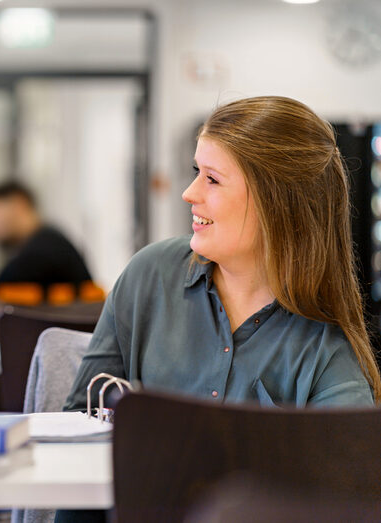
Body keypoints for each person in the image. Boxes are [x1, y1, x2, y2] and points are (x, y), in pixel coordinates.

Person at [56, 96, 381, 523]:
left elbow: (351, 493)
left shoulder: (325, 349)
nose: (190, 193)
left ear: (275, 201)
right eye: (196, 173)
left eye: (212, 179)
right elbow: (77, 433)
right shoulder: (149, 276)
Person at [0, 181, 93, 411]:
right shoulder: (49, 241)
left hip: (45, 367)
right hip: (52, 362)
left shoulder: (41, 250)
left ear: (19, 205)